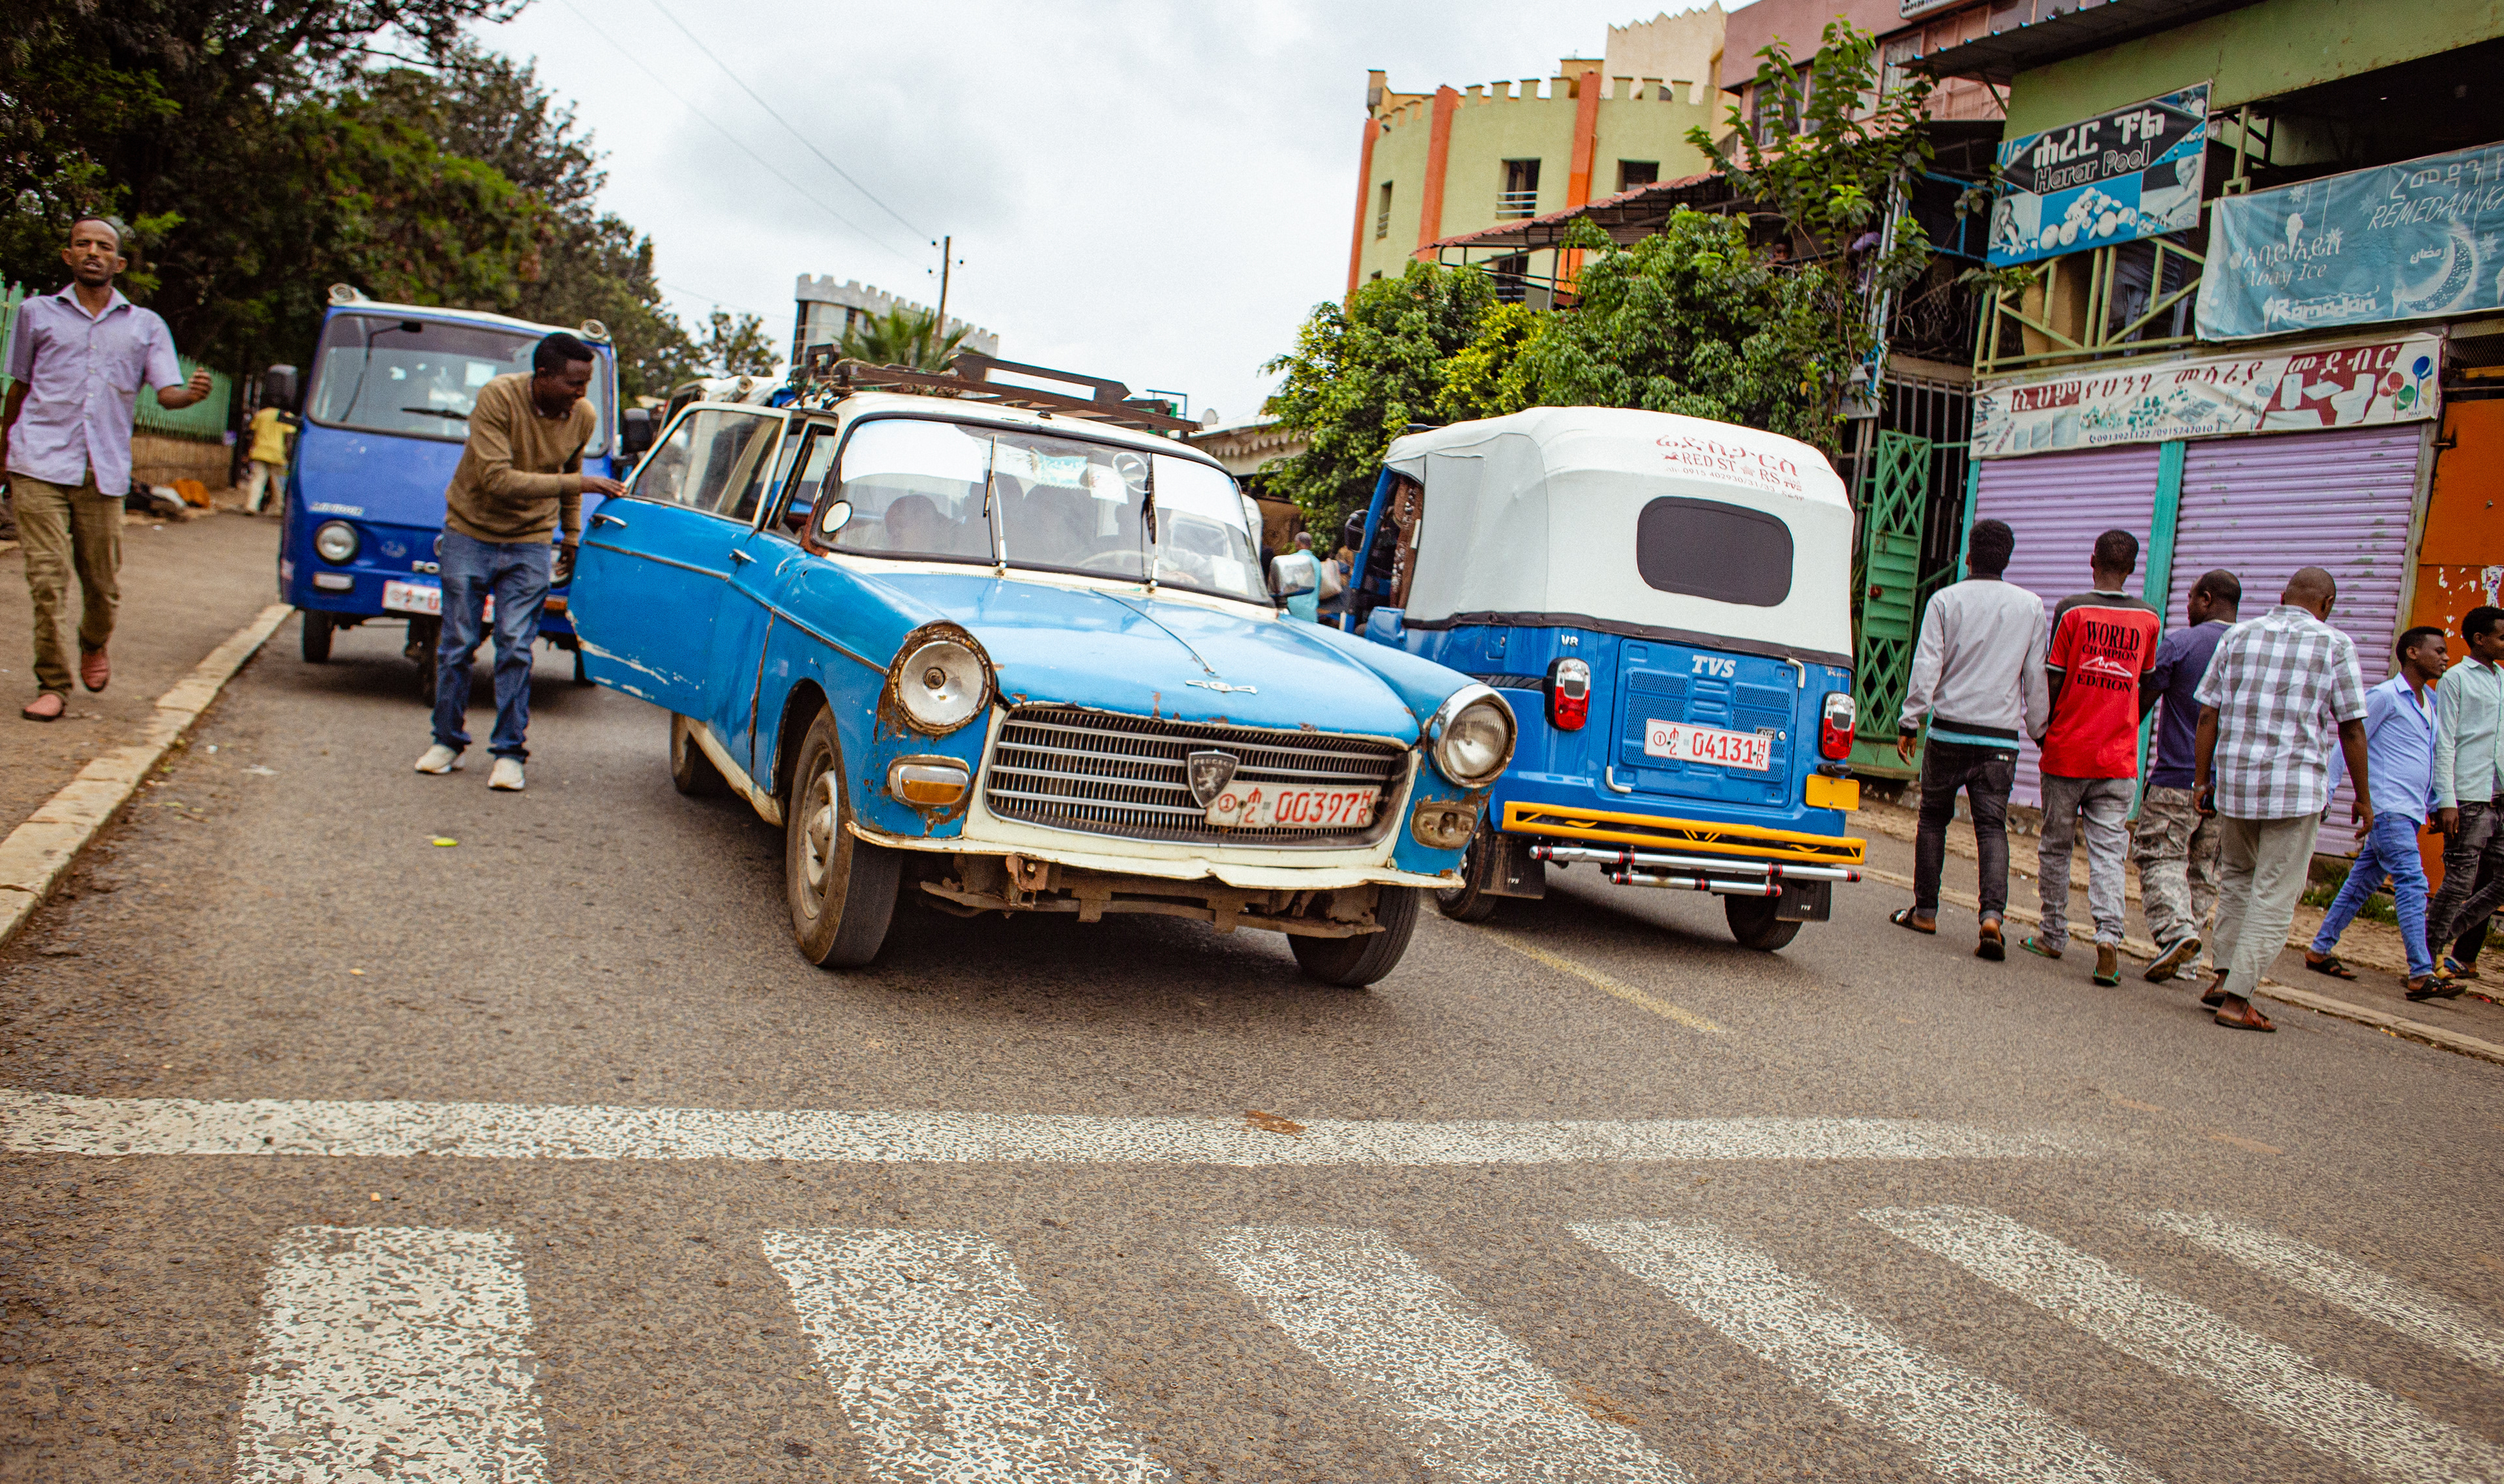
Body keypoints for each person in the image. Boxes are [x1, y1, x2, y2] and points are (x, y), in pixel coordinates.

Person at [1, 216, 215, 722]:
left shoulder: (145, 326)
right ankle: (53, 683)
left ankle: (94, 642)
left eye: (104, 247)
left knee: (101, 583)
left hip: (104, 470)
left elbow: (167, 392)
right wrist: (4, 450)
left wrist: (190, 396)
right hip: (38, 460)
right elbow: (20, 386)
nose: (92, 252)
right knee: (47, 579)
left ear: (118, 264)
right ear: (68, 256)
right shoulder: (35, 314)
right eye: (83, 244)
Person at [413, 331, 626, 792]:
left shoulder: (582, 416)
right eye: (573, 383)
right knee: (457, 645)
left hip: (531, 540)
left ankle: (510, 753)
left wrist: (571, 535)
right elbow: (496, 480)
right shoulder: (498, 398)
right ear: (542, 376)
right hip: (470, 530)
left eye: (587, 383)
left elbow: (570, 472)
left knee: (515, 646)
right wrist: (583, 488)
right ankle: (446, 741)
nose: (581, 394)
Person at [2192, 567, 2373, 1032]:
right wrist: (2364, 797)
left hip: (2236, 783)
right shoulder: (2335, 645)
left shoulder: (2238, 637)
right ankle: (2238, 999)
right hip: (2294, 790)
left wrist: (2201, 780)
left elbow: (2207, 713)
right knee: (2275, 892)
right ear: (2327, 604)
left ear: (2282, 597)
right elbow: (2352, 726)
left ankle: (2223, 976)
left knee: (2235, 877)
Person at [1893, 518, 2051, 960]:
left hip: (1948, 731)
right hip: (2000, 738)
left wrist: (1911, 722)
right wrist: (2040, 730)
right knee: (1991, 826)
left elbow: (1927, 667)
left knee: (1932, 819)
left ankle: (1925, 910)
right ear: (2008, 558)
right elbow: (2035, 676)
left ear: (1968, 555)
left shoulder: (1946, 600)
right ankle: (1991, 918)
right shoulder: (2031, 607)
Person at [2021, 530, 2162, 986]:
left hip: (2067, 751)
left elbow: (2054, 678)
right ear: (2133, 568)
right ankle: (2108, 938)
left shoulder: (2073, 611)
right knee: (2108, 853)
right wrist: (2124, 722)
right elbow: (2148, 682)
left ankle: (2053, 933)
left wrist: (2047, 731)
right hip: (2117, 758)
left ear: (2091, 560)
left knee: (2056, 846)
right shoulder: (2149, 619)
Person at [2306, 627, 2445, 997]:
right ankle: (2420, 971)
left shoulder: (2429, 702)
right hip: (2388, 809)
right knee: (2413, 883)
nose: (2446, 657)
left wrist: (2434, 804)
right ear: (2412, 653)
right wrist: (2330, 789)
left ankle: (2319, 950)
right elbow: (2348, 740)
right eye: (2439, 651)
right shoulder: (2385, 696)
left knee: (2361, 882)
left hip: (2409, 810)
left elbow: (2424, 759)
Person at [2132, 570, 2240, 982]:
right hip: (2227, 789)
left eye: (2192, 597)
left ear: (2207, 599)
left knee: (2160, 855)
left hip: (2177, 778)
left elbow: (2141, 704)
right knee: (2204, 871)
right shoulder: (2251, 646)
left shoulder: (2180, 643)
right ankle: (2189, 962)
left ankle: (2176, 934)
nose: (2188, 605)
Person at [2426, 606, 2504, 992]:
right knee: (2459, 882)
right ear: (2479, 639)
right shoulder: (2456, 679)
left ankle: (2433, 942)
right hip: (2469, 797)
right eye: (2502, 637)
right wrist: (2446, 799)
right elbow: (2446, 743)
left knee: (2499, 884)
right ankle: (2427, 957)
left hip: (2500, 798)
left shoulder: (2503, 679)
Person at [241, 394, 295, 514]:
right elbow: (289, 439)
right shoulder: (287, 416)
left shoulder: (261, 414)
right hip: (278, 454)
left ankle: (251, 506)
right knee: (279, 483)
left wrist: (249, 452)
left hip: (259, 452)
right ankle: (279, 510)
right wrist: (290, 456)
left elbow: (252, 435)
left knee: (257, 480)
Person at [1270, 531, 1322, 622]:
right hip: (1311, 612)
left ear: (1298, 543)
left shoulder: (1292, 559)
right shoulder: (1317, 563)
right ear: (1310, 545)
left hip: (1293, 611)